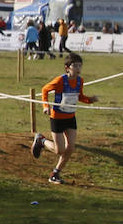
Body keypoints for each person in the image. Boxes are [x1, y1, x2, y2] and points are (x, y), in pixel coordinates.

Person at [32, 53, 98, 185]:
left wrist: (90, 100)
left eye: (80, 66)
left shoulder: (80, 81)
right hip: (57, 118)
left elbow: (79, 96)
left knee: (71, 147)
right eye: (75, 66)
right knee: (59, 150)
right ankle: (42, 140)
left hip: (70, 118)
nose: (78, 68)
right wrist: (46, 106)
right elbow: (45, 90)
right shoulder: (60, 81)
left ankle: (55, 173)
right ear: (67, 68)